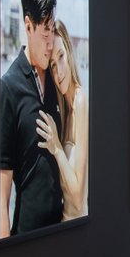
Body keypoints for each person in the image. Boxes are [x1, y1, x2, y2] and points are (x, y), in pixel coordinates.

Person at [0, 0, 63, 238]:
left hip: (63, 231)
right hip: (27, 239)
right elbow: (1, 196)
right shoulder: (9, 87)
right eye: (45, 31)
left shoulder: (57, 78)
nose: (50, 42)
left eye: (52, 28)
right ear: (28, 26)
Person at [36, 20, 88, 220]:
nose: (59, 72)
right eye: (53, 66)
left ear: (69, 52)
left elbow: (77, 198)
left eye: (61, 57)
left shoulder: (81, 101)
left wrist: (56, 148)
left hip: (78, 228)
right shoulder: (65, 111)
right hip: (63, 227)